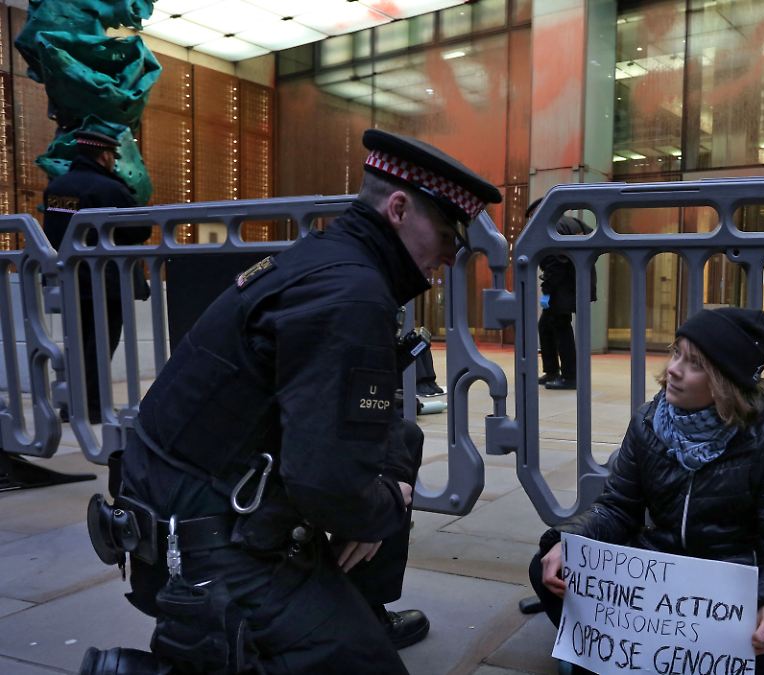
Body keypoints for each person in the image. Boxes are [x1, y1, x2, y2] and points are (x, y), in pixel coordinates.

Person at [80, 130, 501, 674]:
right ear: (398, 209)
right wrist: (384, 506)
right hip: (202, 541)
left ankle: (353, 612)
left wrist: (379, 491)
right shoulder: (350, 293)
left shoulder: (329, 262)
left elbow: (348, 437)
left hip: (199, 499)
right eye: (446, 234)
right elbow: (325, 483)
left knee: (401, 443)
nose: (451, 254)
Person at [529, 308, 764, 674]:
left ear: (724, 381)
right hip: (653, 587)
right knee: (550, 565)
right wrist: (569, 540)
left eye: (694, 363)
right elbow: (617, 508)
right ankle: (608, 646)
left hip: (723, 595)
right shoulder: (647, 422)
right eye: (676, 352)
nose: (673, 369)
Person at [42, 129, 151, 423]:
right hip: (106, 281)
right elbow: (141, 228)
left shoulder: (58, 188)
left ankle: (72, 404)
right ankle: (92, 407)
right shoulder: (109, 188)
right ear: (104, 155)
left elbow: (54, 230)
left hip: (70, 277)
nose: (114, 162)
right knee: (100, 346)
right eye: (113, 156)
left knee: (76, 342)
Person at [531, 199, 596, 391]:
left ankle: (570, 376)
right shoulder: (573, 223)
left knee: (560, 328)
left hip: (562, 288)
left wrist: (547, 293)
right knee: (547, 325)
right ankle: (552, 371)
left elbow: (555, 264)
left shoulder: (553, 227)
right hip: (579, 283)